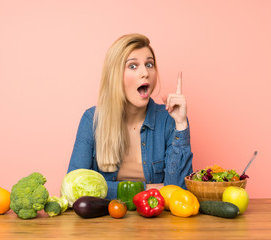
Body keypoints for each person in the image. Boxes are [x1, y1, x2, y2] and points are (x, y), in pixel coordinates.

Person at [67, 33, 193, 200]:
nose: (145, 73)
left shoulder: (170, 120)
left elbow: (179, 192)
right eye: (133, 66)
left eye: (149, 64)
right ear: (115, 75)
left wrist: (181, 124)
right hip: (105, 222)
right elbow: (73, 187)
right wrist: (148, 188)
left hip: (156, 223)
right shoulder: (92, 120)